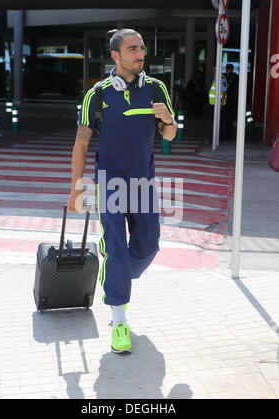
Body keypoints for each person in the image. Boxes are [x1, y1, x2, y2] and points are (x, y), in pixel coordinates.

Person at [67, 28, 177, 354]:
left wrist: (168, 119)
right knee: (115, 245)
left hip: (143, 180)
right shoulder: (98, 94)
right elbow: (82, 142)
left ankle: (118, 273)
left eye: (141, 48)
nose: (140, 53)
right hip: (110, 181)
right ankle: (118, 320)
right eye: (132, 49)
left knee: (148, 246)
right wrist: (76, 188)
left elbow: (169, 135)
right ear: (116, 56)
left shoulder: (157, 89)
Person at [223, 63, 239, 140]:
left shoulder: (235, 77)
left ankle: (228, 135)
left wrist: (234, 101)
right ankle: (223, 134)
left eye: (229, 68)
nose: (227, 70)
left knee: (229, 118)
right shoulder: (224, 76)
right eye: (227, 68)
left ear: (232, 69)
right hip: (224, 99)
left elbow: (235, 89)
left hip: (230, 100)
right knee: (224, 118)